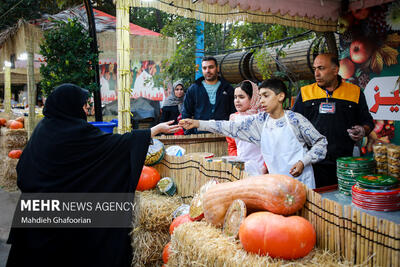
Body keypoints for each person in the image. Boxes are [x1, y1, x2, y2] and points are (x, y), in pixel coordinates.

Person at [6, 83, 180, 267]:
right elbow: (115, 146)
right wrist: (154, 130)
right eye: (84, 103)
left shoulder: (43, 129)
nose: (87, 107)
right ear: (70, 105)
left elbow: (23, 170)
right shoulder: (75, 131)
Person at [180, 79, 327, 189]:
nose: (261, 100)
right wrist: (199, 123)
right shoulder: (259, 122)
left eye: (266, 95)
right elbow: (229, 126)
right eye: (260, 96)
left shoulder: (296, 120)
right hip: (277, 185)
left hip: (303, 183)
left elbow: (321, 143)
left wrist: (304, 162)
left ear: (280, 96)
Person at [292, 53, 374, 188]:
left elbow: (367, 121)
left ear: (335, 70)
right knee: (317, 202)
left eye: (321, 68)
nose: (316, 74)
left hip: (344, 162)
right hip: (313, 163)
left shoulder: (354, 92)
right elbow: (293, 125)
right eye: (315, 69)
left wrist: (362, 130)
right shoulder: (306, 92)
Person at [182, 56, 236, 134]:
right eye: (204, 68)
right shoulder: (194, 89)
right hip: (200, 135)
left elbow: (234, 112)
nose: (207, 71)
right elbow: (186, 113)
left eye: (211, 67)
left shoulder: (228, 88)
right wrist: (190, 133)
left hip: (224, 135)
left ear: (217, 68)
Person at [226, 80, 266, 175]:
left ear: (253, 98)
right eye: (235, 97)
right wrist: (237, 164)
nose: (237, 101)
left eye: (241, 97)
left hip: (262, 170)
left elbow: (271, 148)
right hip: (241, 170)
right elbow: (232, 146)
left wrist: (264, 168)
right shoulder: (233, 119)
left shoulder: (263, 118)